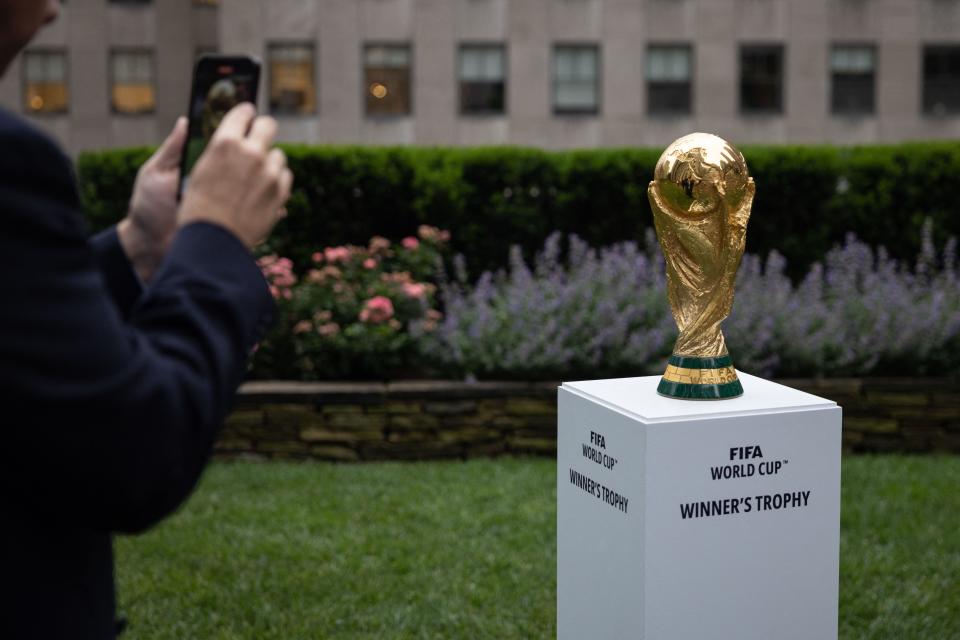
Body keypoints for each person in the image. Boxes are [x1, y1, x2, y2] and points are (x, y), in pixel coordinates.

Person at [0, 1, 294, 638]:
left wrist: (135, 245)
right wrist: (216, 237)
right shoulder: (12, 162)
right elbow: (135, 451)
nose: (56, 8)